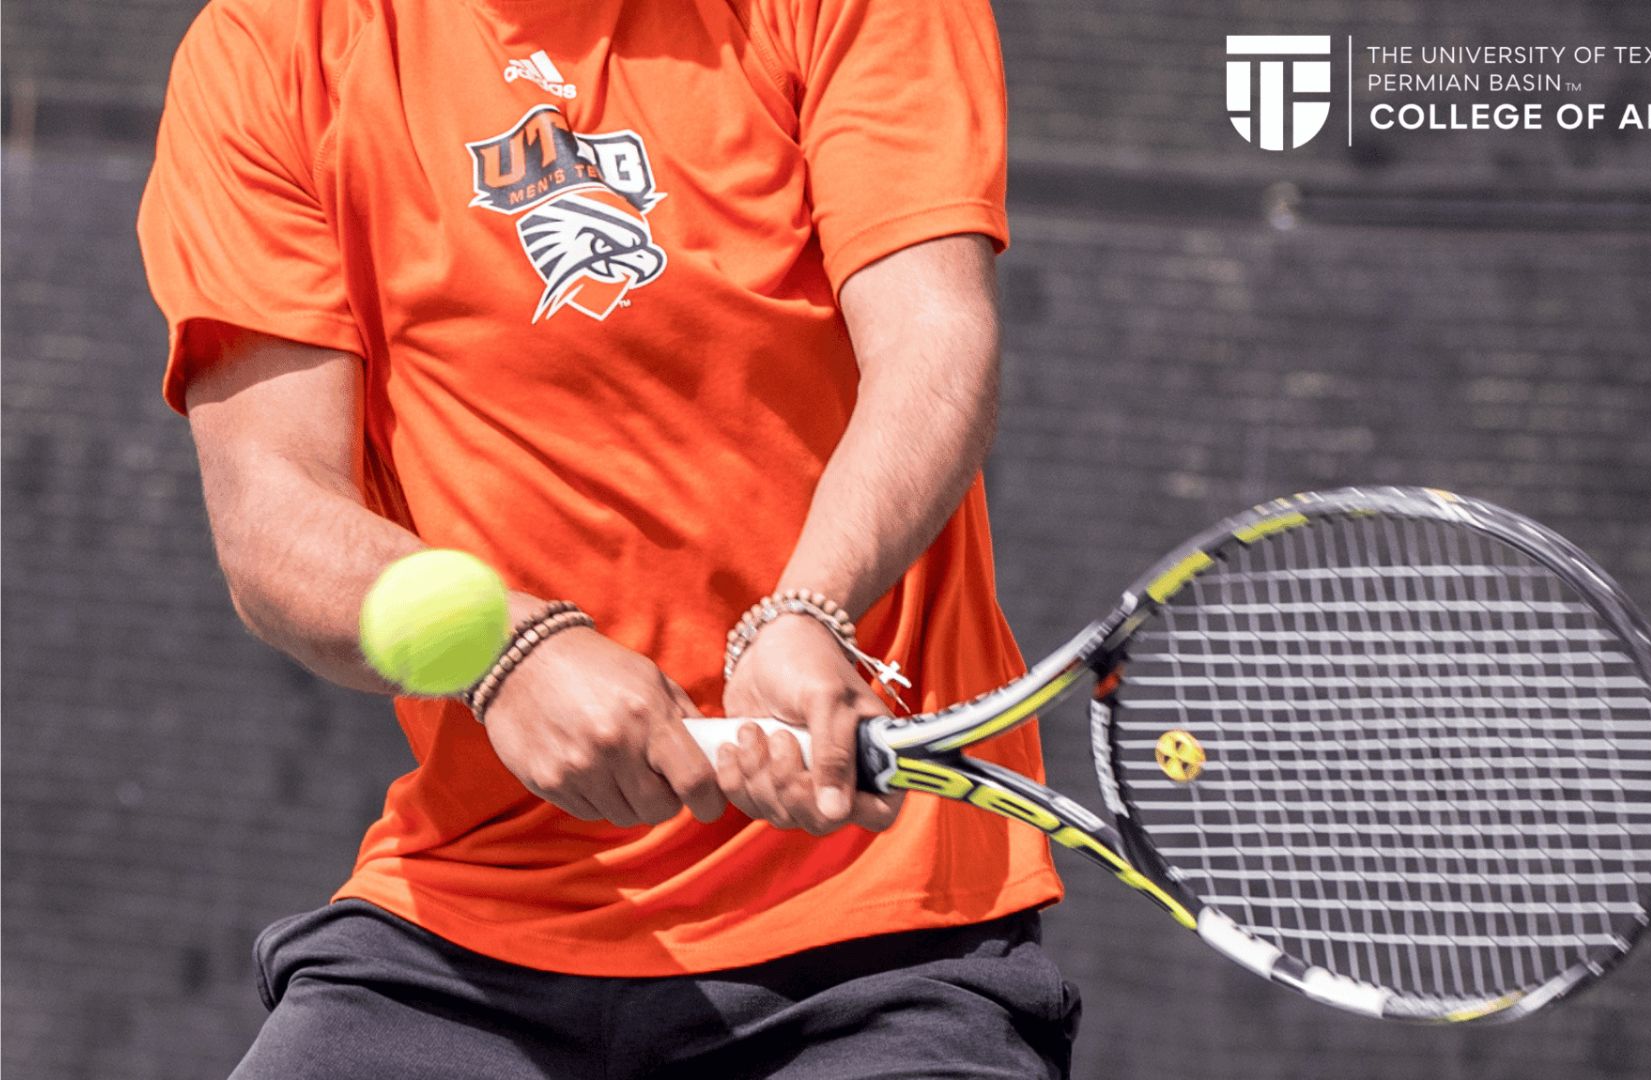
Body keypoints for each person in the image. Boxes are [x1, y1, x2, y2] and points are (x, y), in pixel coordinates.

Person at [136, 0, 1077, 1075]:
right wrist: (505, 646)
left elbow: (933, 338)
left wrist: (806, 611)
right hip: (467, 924)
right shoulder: (270, 47)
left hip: (879, 939)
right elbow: (273, 521)